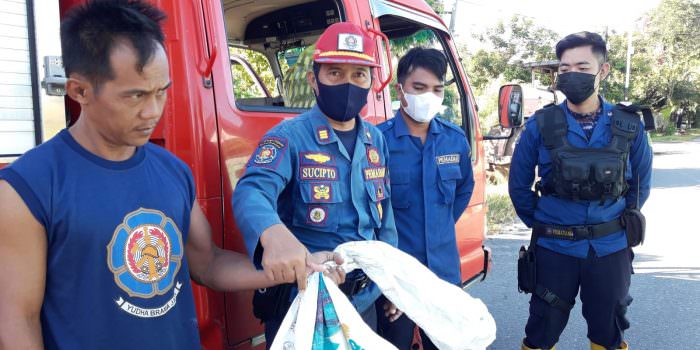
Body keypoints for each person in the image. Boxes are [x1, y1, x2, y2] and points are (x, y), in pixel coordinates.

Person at [0, 1, 341, 349]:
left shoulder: (172, 171)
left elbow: (208, 263)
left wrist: (298, 265)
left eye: (161, 91)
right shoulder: (29, 188)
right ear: (79, 91)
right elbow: (17, 319)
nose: (152, 111)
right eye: (135, 96)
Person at [232, 22, 398, 346]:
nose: (348, 84)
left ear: (371, 82)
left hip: (363, 303)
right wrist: (273, 233)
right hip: (305, 305)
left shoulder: (375, 139)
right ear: (314, 80)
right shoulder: (289, 137)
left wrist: (392, 286)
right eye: (335, 73)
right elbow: (252, 191)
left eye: (359, 75)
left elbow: (385, 219)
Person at [509, 32, 653, 350]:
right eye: (564, 68)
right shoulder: (540, 125)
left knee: (609, 329)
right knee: (542, 328)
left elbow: (640, 185)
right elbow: (518, 187)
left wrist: (612, 222)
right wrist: (548, 223)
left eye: (582, 66)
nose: (571, 74)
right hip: (554, 248)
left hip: (610, 247)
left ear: (603, 70)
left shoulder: (629, 124)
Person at [375, 47, 475, 349]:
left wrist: (437, 227)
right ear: (400, 89)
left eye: (436, 89)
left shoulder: (454, 140)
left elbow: (461, 193)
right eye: (419, 88)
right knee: (394, 343)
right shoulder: (377, 142)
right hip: (396, 279)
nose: (428, 96)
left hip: (444, 274)